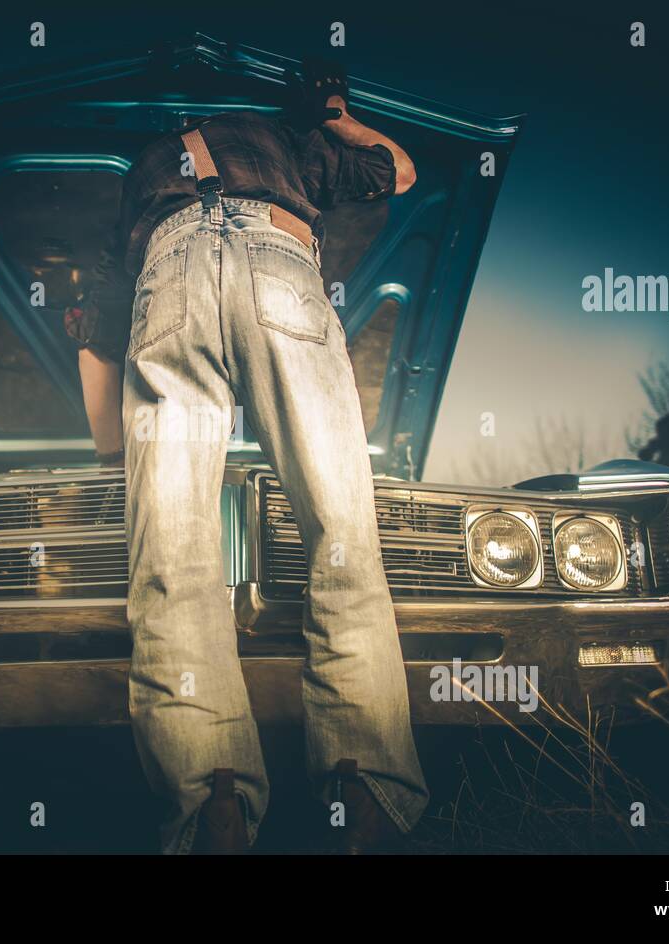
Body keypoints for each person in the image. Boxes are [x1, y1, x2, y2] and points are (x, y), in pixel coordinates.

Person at [63, 57, 429, 853]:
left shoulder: (142, 170)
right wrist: (333, 112)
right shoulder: (286, 140)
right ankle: (359, 793)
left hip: (167, 273)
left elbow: (96, 340)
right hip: (278, 261)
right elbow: (397, 171)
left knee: (172, 556)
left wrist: (110, 468)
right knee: (341, 531)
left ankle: (212, 803)